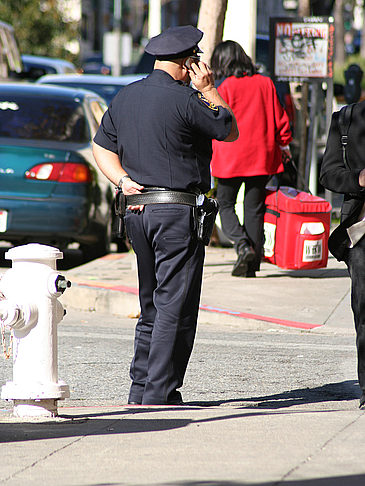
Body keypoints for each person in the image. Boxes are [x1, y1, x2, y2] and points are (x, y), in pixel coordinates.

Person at [92, 26, 238, 405]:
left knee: (152, 303)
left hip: (138, 212)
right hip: (177, 215)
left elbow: (100, 147)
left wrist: (122, 181)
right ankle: (158, 395)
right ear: (189, 62)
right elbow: (228, 128)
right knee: (175, 305)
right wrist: (208, 89)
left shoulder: (125, 97)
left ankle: (140, 388)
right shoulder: (188, 100)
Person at [210, 40, 292, 277]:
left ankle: (242, 246)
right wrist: (284, 142)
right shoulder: (265, 83)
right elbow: (281, 120)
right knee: (254, 208)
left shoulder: (224, 87)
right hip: (261, 156)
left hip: (229, 159)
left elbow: (216, 123)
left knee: (225, 205)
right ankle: (251, 265)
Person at [320, 102, 365, 409]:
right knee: (363, 310)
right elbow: (328, 173)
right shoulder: (348, 119)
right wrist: (358, 179)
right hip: (362, 233)